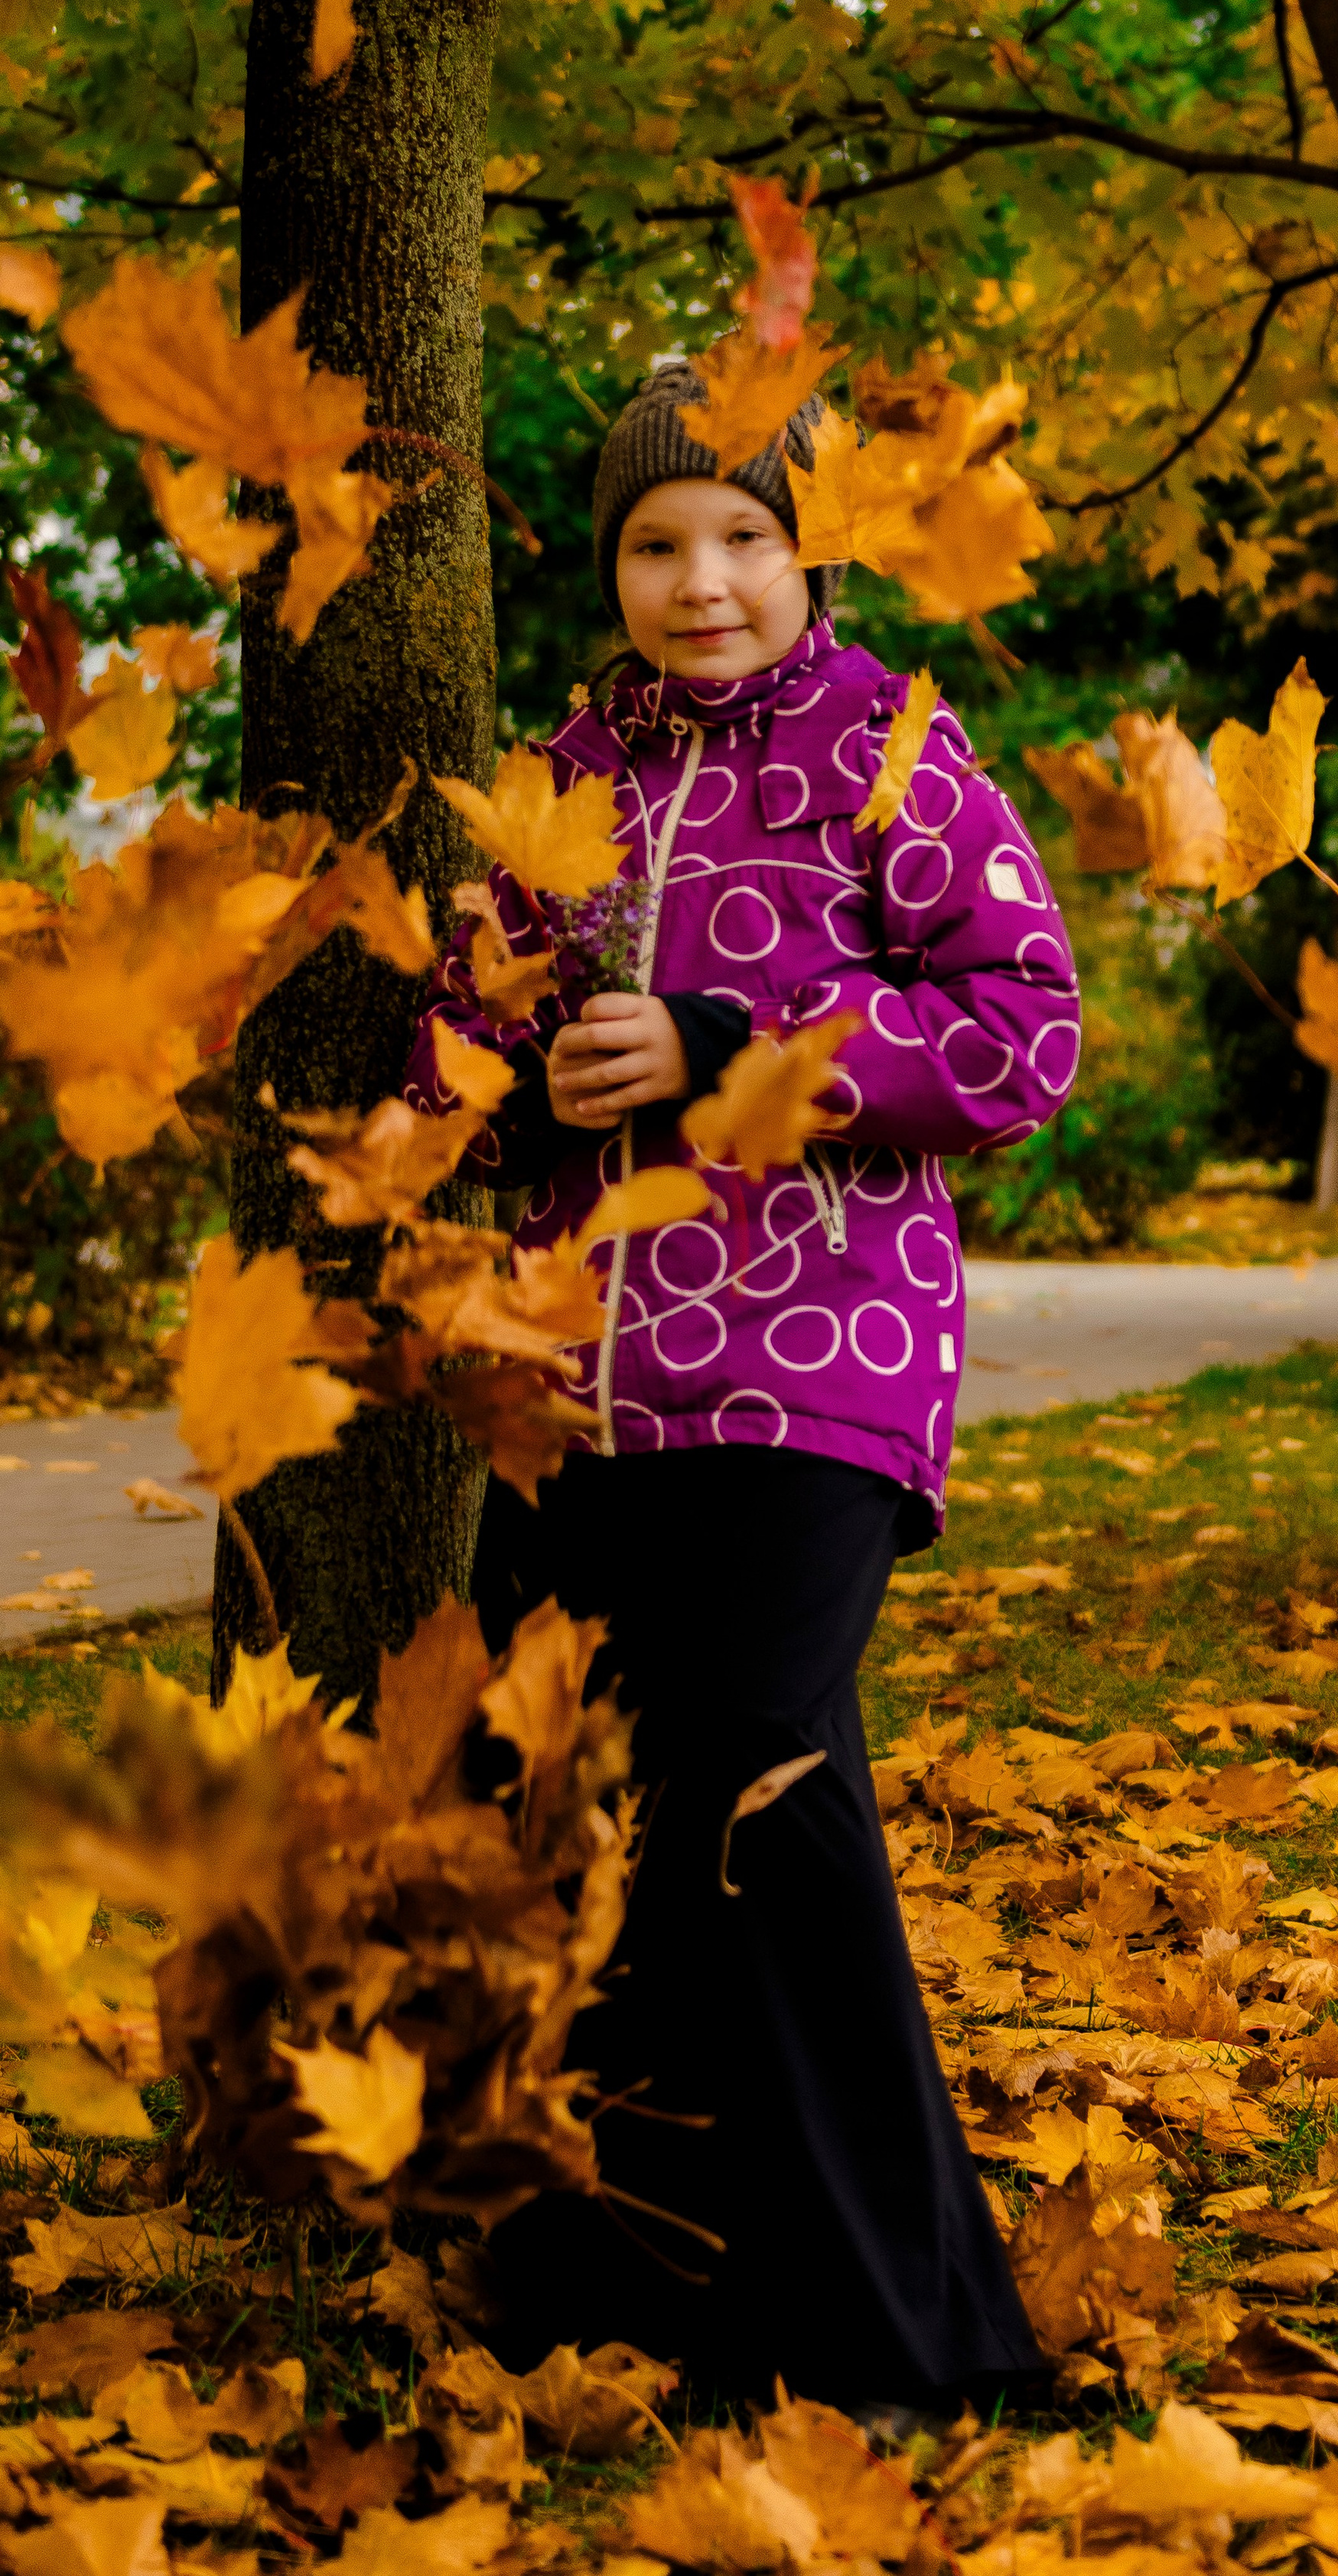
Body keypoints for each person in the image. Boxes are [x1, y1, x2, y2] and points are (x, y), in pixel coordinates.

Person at [403, 357, 1079, 2413]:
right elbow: (451, 1058)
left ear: (805, 553)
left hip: (825, 1359)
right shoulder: (555, 780)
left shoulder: (896, 754)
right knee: (597, 1812)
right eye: (657, 544)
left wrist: (728, 1034)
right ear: (610, 567)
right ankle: (645, 2296)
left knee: (768, 1787)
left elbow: (1023, 1039)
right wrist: (517, 1072)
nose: (703, 583)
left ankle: (912, 2339)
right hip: (586, 1385)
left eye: (742, 539)